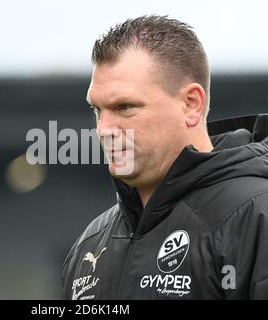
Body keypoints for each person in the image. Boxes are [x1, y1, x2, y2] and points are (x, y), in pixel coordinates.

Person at [61, 14, 268, 300]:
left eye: (124, 107)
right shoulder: (91, 243)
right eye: (97, 110)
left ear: (191, 104)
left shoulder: (256, 214)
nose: (103, 129)